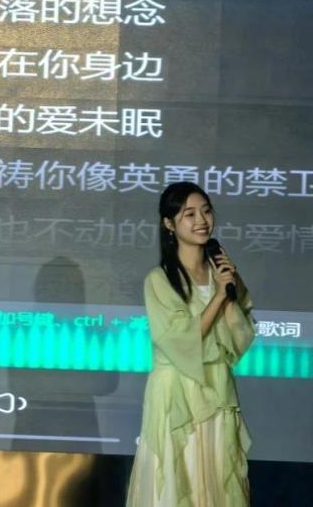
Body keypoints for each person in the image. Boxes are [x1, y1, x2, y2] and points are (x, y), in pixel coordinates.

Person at [126, 181, 255, 506]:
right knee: (179, 478)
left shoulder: (222, 273)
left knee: (217, 479)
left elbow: (240, 334)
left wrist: (228, 289)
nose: (202, 221)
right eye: (189, 214)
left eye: (206, 211)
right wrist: (217, 297)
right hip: (177, 394)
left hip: (217, 389)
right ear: (169, 224)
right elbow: (180, 338)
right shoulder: (159, 280)